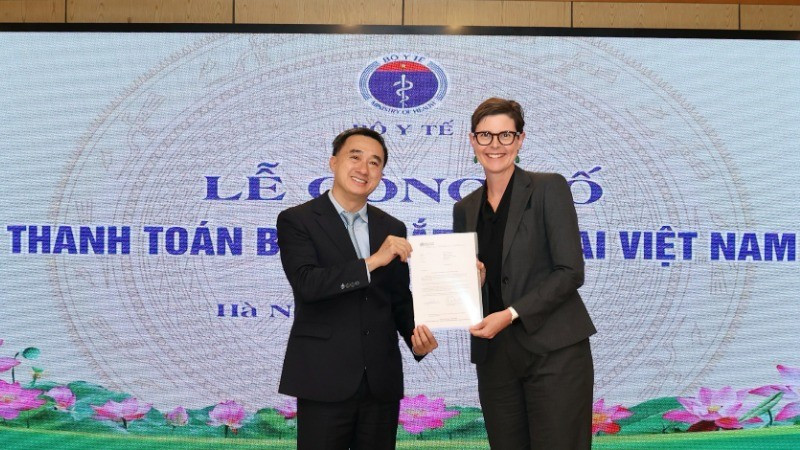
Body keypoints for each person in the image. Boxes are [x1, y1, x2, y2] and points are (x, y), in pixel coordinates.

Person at [277, 127, 438, 449]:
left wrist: (415, 339)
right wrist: (373, 261)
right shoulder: (298, 220)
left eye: (375, 162)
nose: (364, 169)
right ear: (333, 162)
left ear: (381, 174)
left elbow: (397, 298)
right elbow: (308, 284)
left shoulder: (392, 227)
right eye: (355, 157)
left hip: (381, 382)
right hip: (323, 378)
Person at [453, 98, 596, 449]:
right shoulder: (464, 208)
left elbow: (569, 271)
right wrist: (475, 283)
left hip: (555, 352)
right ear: (472, 141)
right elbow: (469, 286)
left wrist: (511, 314)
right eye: (485, 136)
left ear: (520, 140)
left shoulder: (549, 188)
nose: (495, 145)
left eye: (505, 135)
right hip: (495, 357)